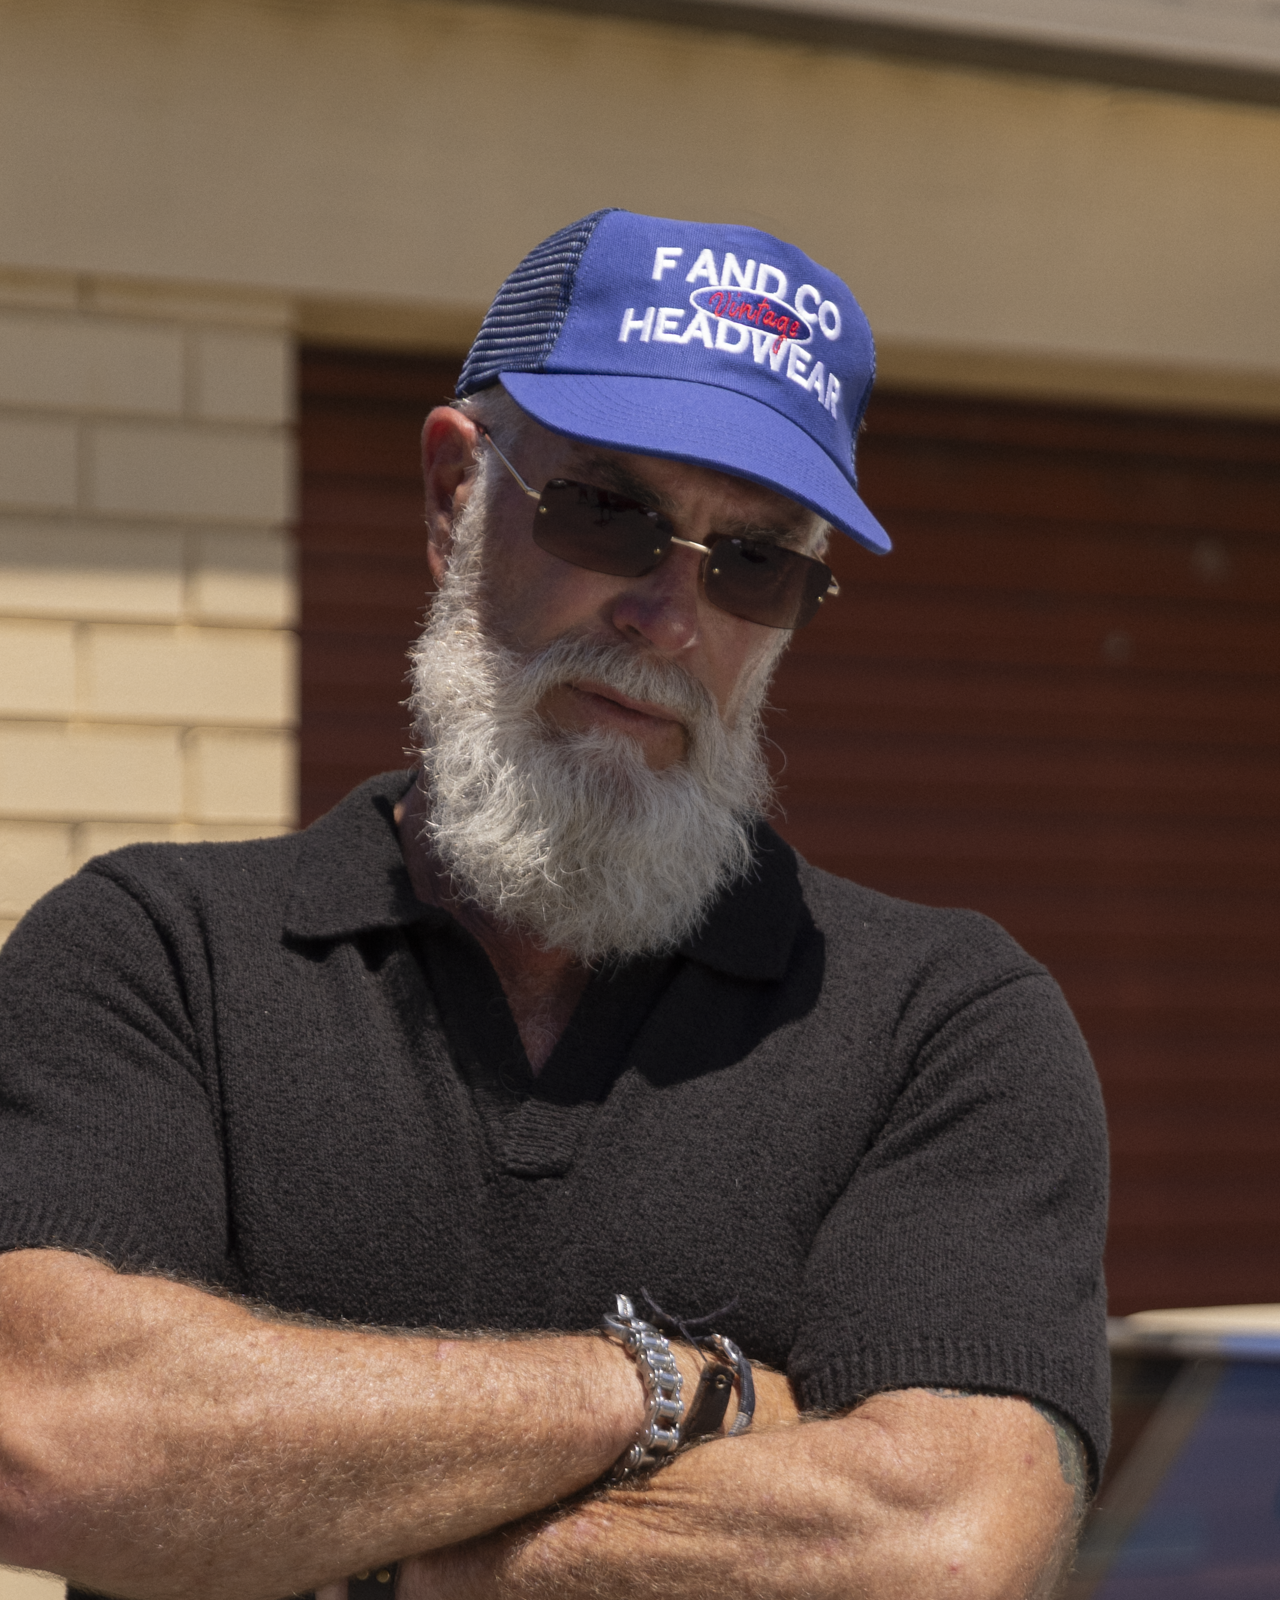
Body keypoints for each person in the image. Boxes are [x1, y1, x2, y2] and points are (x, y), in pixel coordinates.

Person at [0, 210, 1107, 1600]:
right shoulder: (155, 954)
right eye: (608, 513)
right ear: (455, 495)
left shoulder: (943, 1023)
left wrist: (350, 1550)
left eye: (754, 562)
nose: (669, 617)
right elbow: (51, 1434)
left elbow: (942, 1546)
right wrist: (663, 1391)